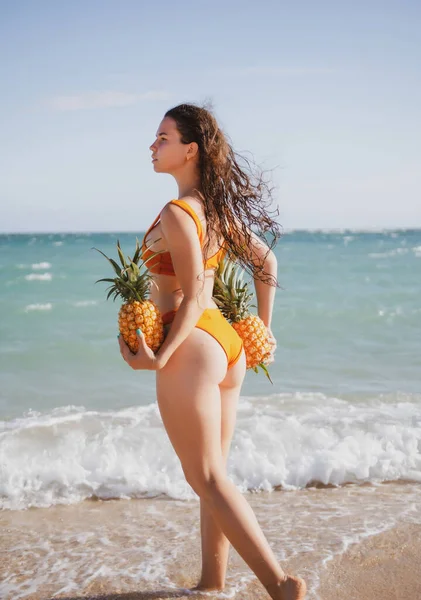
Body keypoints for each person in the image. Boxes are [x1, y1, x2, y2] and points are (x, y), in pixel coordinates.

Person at [118, 103, 307, 600]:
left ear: (190, 150)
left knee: (202, 475)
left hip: (191, 343)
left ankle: (280, 584)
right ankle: (213, 580)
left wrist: (160, 356)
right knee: (214, 476)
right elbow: (266, 260)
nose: (153, 147)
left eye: (162, 138)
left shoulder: (178, 213)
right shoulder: (214, 210)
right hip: (225, 344)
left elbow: (195, 294)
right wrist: (259, 334)